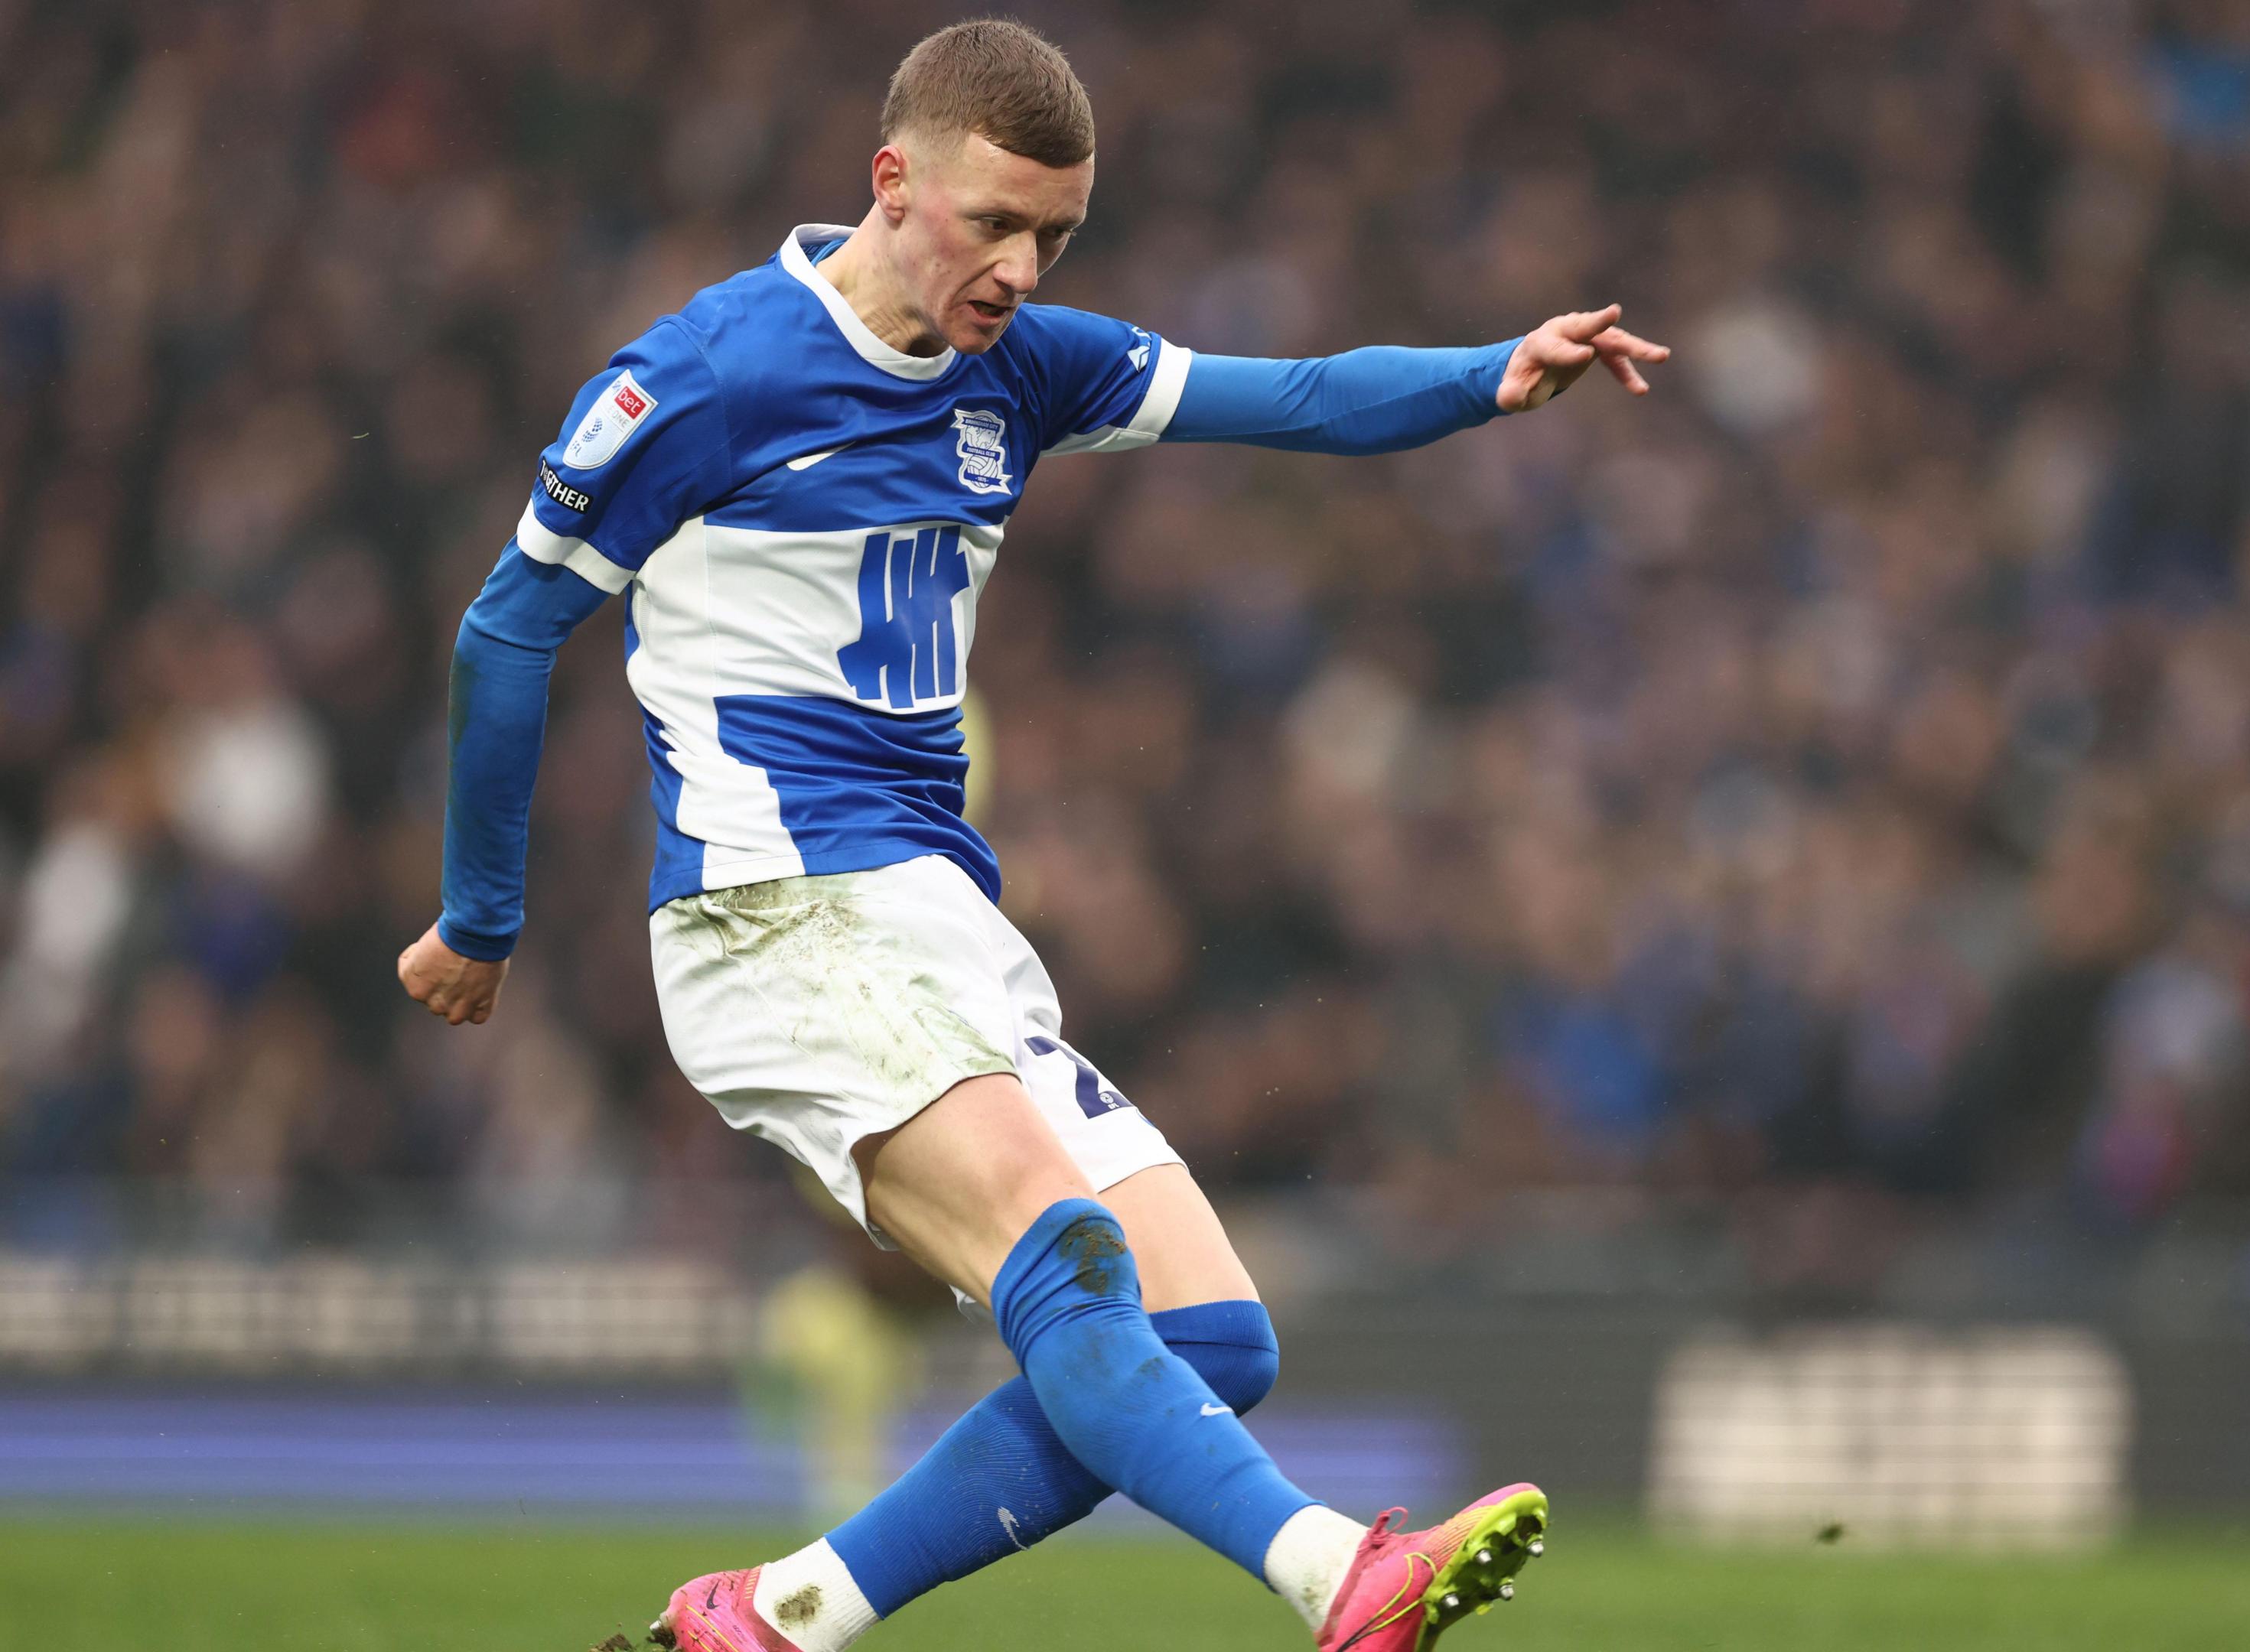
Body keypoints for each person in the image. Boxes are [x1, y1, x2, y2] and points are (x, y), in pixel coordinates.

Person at [392, 20, 1666, 1652]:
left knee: (1208, 1336)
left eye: (1053, 234)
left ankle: (781, 1618)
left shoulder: (1027, 367)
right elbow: (507, 630)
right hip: (772, 918)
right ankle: (1339, 1576)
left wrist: (1488, 375)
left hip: (936, 922)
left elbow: (1287, 399)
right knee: (1061, 1257)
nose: (1019, 265)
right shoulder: (706, 376)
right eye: (993, 222)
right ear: (891, 180)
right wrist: (479, 920)